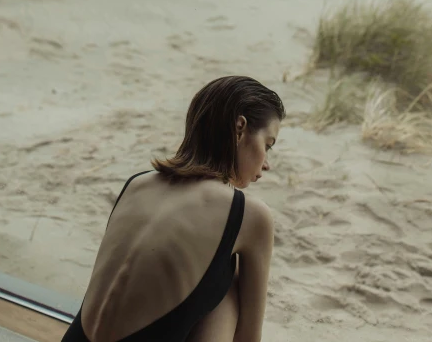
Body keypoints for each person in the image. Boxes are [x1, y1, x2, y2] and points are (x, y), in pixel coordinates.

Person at [61, 74, 285, 342]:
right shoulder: (247, 214)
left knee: (219, 265)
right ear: (239, 128)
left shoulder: (137, 184)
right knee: (231, 276)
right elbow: (249, 338)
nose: (266, 164)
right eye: (267, 145)